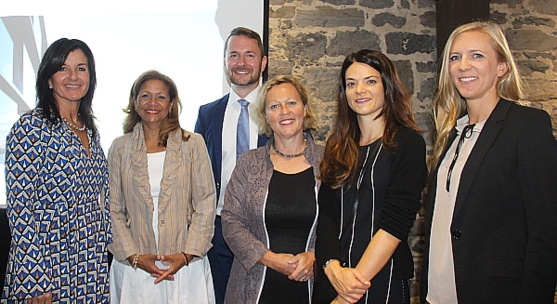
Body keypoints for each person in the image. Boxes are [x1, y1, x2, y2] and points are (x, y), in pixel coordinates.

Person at [421, 21, 557, 304]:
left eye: (477, 55)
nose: (463, 65)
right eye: (455, 58)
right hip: (439, 293)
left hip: (494, 292)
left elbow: (546, 231)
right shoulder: (452, 134)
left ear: (501, 67)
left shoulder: (527, 126)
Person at [2, 38, 111, 303]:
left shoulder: (89, 131)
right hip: (46, 265)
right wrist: (34, 279)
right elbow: (20, 208)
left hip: (88, 263)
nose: (73, 76)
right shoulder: (30, 128)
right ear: (49, 79)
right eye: (63, 68)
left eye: (81, 68)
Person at [314, 49, 427, 304]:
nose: (360, 90)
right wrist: (332, 269)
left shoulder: (407, 143)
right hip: (334, 278)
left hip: (380, 281)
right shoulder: (338, 145)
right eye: (351, 84)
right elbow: (328, 217)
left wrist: (348, 293)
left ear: (387, 87)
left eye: (370, 81)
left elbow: (395, 225)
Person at [108, 70, 216, 303]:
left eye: (161, 97)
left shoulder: (193, 144)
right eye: (145, 96)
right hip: (134, 267)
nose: (152, 103)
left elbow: (206, 203)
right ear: (135, 103)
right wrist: (134, 257)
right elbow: (112, 209)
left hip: (185, 266)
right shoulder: (119, 148)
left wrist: (186, 254)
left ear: (172, 104)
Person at [221, 76, 323, 303]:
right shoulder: (249, 163)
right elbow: (230, 220)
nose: (284, 111)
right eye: (274, 106)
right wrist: (268, 258)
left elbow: (342, 223)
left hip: (313, 285)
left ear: (305, 109)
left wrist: (316, 256)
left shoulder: (328, 162)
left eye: (292, 103)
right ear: (266, 116)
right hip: (254, 284)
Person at [194, 26, 268, 304]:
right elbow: (196, 174)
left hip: (266, 232)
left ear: (263, 62)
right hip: (220, 235)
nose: (241, 63)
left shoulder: (281, 111)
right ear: (224, 61)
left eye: (250, 55)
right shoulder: (207, 114)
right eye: (234, 55)